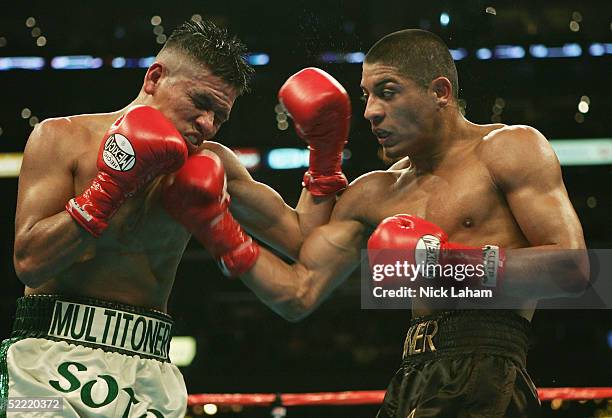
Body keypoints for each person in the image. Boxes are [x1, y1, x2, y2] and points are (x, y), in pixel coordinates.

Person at [168, 29, 590, 417]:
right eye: (367, 96)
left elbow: (573, 270)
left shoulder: (508, 148)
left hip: (488, 371)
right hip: (411, 377)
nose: (370, 112)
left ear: (440, 92)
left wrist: (446, 264)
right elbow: (299, 291)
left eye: (387, 93)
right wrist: (219, 229)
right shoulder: (374, 193)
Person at [6, 18, 350, 417]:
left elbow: (303, 238)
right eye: (201, 103)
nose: (207, 124)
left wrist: (325, 156)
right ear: (154, 78)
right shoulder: (61, 138)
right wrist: (111, 187)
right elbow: (29, 263)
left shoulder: (213, 162)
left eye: (220, 116)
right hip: (43, 360)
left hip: (148, 366)